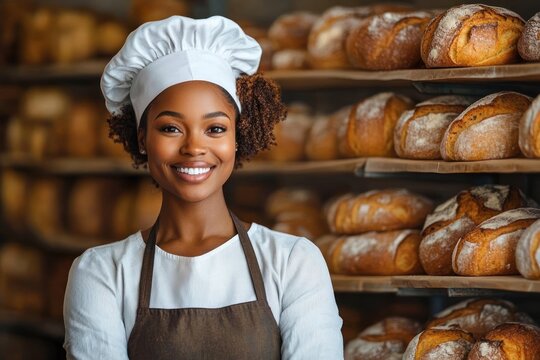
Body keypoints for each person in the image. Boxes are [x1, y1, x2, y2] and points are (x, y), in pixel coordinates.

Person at [63, 15, 343, 359]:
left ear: (236, 138)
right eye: (170, 128)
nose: (194, 147)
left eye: (215, 129)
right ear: (142, 138)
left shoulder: (294, 263)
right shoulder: (102, 274)